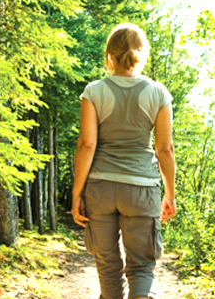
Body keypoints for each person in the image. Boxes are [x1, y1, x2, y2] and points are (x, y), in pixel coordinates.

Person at [71, 23, 176, 299]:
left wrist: (77, 193)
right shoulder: (159, 93)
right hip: (142, 189)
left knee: (108, 268)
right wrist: (170, 194)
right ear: (141, 54)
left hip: (100, 189)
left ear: (110, 56)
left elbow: (87, 145)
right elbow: (165, 149)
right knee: (142, 269)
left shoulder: (94, 91)